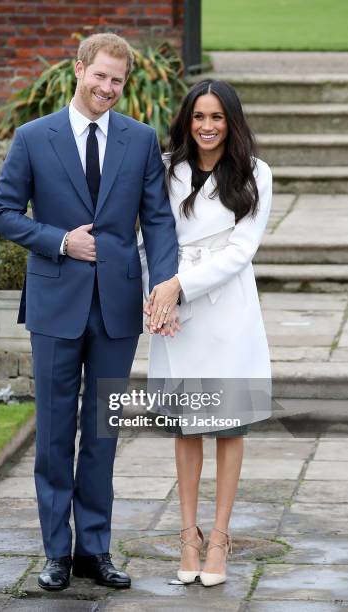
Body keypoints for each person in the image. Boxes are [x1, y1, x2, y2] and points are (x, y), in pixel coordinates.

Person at [0, 32, 179, 591]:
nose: (108, 88)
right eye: (100, 76)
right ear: (78, 70)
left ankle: (94, 549)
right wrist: (58, 241)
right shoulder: (33, 137)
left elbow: (159, 220)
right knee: (53, 433)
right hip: (54, 304)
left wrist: (164, 284)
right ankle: (55, 552)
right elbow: (3, 213)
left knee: (103, 432)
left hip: (118, 309)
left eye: (117, 80)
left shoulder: (140, 140)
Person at [140, 79, 272, 587]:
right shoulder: (168, 170)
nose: (207, 126)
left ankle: (219, 538)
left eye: (217, 116)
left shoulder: (257, 174)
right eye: (199, 116)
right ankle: (187, 535)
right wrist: (158, 297)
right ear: (187, 120)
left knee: (229, 424)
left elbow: (241, 251)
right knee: (186, 424)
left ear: (231, 121)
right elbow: (150, 235)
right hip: (177, 313)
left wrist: (178, 286)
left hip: (229, 311)